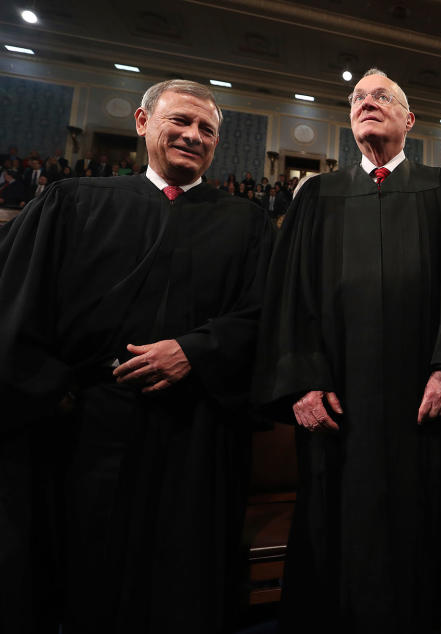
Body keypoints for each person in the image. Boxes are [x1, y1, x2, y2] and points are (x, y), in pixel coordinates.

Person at [0, 79, 274, 634]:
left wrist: (196, 350)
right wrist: (59, 389)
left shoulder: (245, 224)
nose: (193, 136)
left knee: (184, 580)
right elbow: (17, 304)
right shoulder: (74, 201)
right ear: (144, 122)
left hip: (198, 431)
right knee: (85, 577)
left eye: (207, 130)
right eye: (180, 121)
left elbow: (266, 316)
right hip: (88, 432)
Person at [253, 68, 441, 634]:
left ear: (409, 120)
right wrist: (303, 381)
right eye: (358, 97)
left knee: (413, 526)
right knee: (334, 527)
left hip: (420, 402)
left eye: (382, 96)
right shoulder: (318, 195)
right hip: (337, 403)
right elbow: (292, 294)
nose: (367, 103)